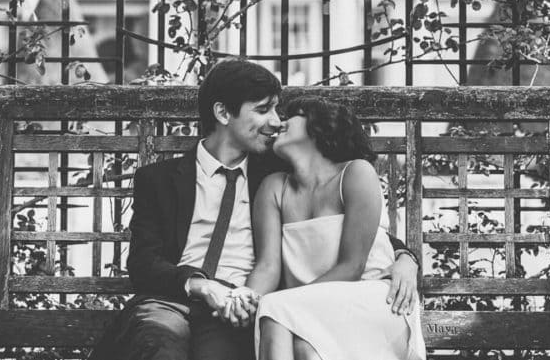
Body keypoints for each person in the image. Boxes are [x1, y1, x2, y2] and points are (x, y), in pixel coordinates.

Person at [89, 60, 419, 360]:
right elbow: (143, 262)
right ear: (223, 114)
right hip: (170, 301)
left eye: (278, 111)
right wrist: (203, 286)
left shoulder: (274, 174)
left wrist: (405, 257)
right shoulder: (159, 179)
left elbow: (345, 225)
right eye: (263, 110)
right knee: (159, 347)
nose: (276, 122)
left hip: (238, 309)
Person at [237, 96, 426, 360]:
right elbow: (268, 266)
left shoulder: (355, 174)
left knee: (275, 310)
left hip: (373, 300)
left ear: (320, 126)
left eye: (293, 115)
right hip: (306, 307)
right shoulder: (274, 188)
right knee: (305, 348)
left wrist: (288, 304)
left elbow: (352, 266)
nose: (281, 121)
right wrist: (244, 300)